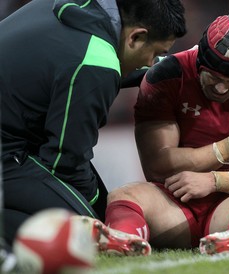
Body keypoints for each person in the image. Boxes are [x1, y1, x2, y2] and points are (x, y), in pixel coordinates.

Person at [0, 0, 186, 255]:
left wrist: (180, 64)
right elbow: (64, 163)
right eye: (154, 54)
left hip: (14, 136)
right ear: (136, 37)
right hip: (8, 153)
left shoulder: (77, 9)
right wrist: (101, 212)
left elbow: (80, 59)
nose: (152, 62)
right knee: (93, 235)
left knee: (100, 220)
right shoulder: (97, 63)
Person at [105, 14, 229, 255]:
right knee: (122, 195)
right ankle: (124, 240)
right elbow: (157, 165)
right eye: (214, 77)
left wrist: (214, 181)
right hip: (175, 204)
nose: (221, 87)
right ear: (199, 62)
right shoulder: (167, 75)